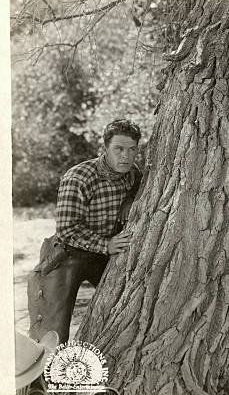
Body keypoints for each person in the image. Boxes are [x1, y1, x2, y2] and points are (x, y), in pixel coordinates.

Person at [27, 119, 143, 344]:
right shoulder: (79, 177)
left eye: (132, 150)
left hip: (105, 255)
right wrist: (106, 245)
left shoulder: (132, 174)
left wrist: (130, 199)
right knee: (51, 334)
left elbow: (141, 182)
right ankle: (40, 377)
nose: (125, 156)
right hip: (68, 253)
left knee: (127, 307)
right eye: (119, 149)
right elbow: (67, 230)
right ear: (105, 148)